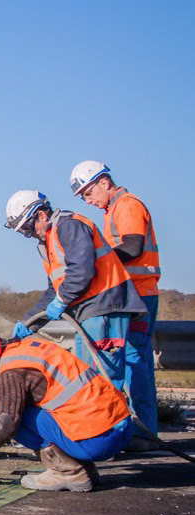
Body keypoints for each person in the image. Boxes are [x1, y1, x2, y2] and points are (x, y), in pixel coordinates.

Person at [0, 320, 132, 491]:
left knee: (6, 415)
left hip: (97, 441)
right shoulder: (28, 348)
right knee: (11, 409)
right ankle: (82, 469)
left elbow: (2, 424)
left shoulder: (11, 374)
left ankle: (67, 472)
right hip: (119, 429)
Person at [2, 190, 144, 416]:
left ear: (41, 215)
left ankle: (112, 428)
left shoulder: (69, 226)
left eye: (28, 228)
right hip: (89, 313)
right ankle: (98, 426)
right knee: (88, 378)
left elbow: (81, 271)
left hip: (105, 307)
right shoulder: (48, 243)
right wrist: (29, 322)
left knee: (103, 377)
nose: (30, 235)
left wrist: (62, 301)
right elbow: (54, 290)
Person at [70, 161, 161, 448]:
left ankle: (143, 433)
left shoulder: (127, 205)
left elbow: (132, 247)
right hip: (131, 295)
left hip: (139, 295)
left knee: (134, 362)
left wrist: (96, 262)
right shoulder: (114, 209)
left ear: (104, 183)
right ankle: (135, 431)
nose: (88, 201)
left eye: (88, 193)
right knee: (130, 361)